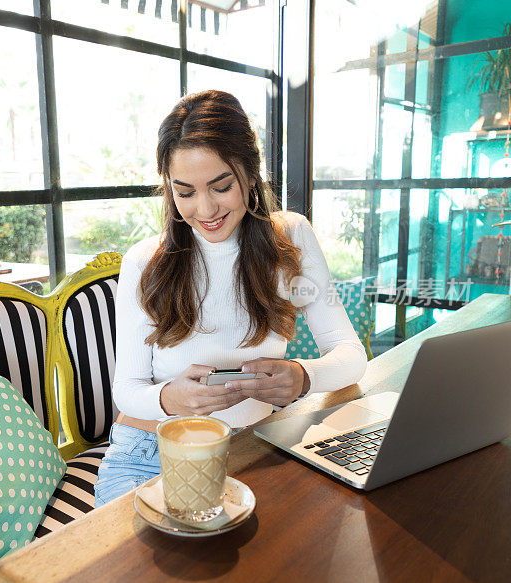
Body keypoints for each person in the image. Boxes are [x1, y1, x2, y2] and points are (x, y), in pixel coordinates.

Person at [93, 90, 367, 507]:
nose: (205, 209)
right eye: (184, 192)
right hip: (150, 454)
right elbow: (127, 389)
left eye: (221, 186)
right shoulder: (144, 261)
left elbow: (350, 354)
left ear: (250, 173)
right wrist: (169, 398)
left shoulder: (291, 239)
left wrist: (303, 376)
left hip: (253, 446)